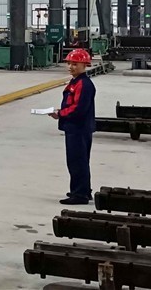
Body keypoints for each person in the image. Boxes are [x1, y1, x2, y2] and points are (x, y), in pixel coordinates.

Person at [49, 49, 97, 205]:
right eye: (69, 63)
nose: (70, 67)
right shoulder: (76, 81)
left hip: (78, 128)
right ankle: (83, 190)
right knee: (78, 161)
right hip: (76, 127)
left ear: (84, 65)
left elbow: (79, 109)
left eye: (75, 64)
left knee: (77, 162)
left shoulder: (83, 84)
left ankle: (80, 195)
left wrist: (60, 113)